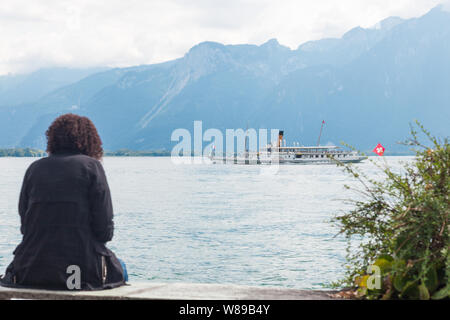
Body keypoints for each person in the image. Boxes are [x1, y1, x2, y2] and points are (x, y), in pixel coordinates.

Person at [0, 113, 127, 290]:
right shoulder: (91, 167)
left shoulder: (34, 168)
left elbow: (26, 227)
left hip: (31, 268)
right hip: (80, 272)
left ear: (52, 139)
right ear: (91, 141)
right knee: (122, 268)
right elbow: (104, 230)